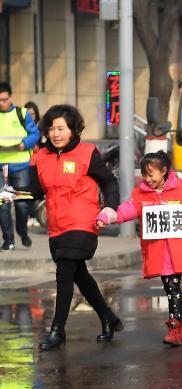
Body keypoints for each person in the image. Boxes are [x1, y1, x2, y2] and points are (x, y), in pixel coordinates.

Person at [29, 104, 122, 350]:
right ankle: (108, 317)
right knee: (78, 274)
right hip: (56, 226)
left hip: (83, 222)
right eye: (51, 128)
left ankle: (57, 330)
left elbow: (109, 181)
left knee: (64, 274)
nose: (56, 133)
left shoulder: (87, 153)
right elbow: (36, 191)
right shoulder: (41, 157)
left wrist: (110, 207)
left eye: (61, 128)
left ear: (73, 130)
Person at [97, 152, 182, 347]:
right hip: (159, 251)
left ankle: (175, 327)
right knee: (171, 285)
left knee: (172, 285)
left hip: (179, 249)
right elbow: (128, 209)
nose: (147, 179)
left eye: (151, 174)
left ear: (164, 171)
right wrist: (110, 216)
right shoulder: (141, 194)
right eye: (145, 174)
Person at [0, 82, 41, 250]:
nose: (1, 103)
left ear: (11, 97)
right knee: (3, 206)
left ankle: (22, 232)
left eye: (4, 99)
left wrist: (25, 144)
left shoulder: (21, 114)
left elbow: (35, 134)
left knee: (22, 205)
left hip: (20, 166)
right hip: (1, 167)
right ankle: (8, 240)